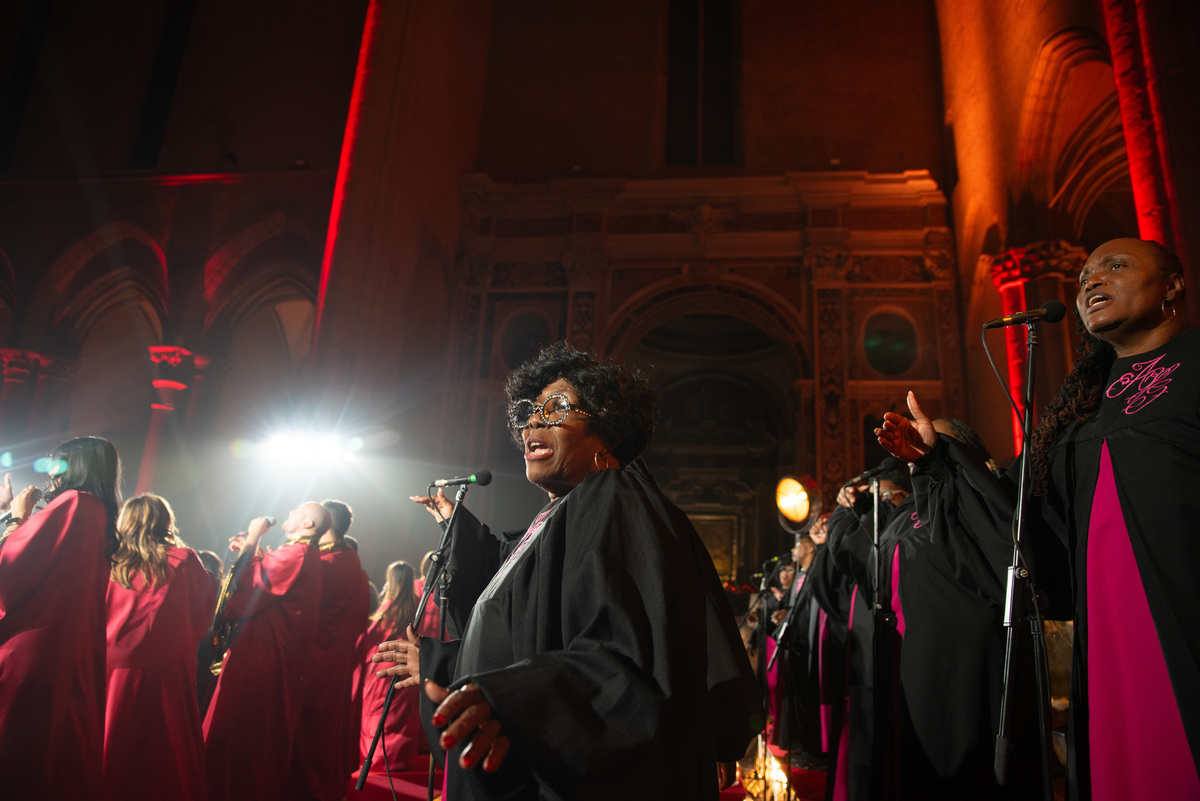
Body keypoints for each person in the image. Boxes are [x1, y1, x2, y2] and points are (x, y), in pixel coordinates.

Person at [877, 237, 1200, 801]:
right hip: (1107, 639)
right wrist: (938, 461)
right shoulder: (1079, 408)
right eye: (1082, 280)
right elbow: (1016, 524)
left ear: (1173, 284)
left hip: (1183, 612)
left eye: (1115, 267)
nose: (1091, 284)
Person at [372, 341, 762, 799]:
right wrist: (443, 664)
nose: (533, 422)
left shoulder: (615, 499)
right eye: (530, 412)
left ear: (609, 431)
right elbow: (529, 637)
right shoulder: (562, 515)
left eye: (557, 408)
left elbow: (623, 662)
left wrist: (515, 703)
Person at [0, 436, 122, 801]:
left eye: (59, 465)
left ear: (78, 467)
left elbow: (10, 570)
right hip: (60, 650)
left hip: (31, 646)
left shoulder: (74, 503)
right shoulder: (96, 512)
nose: (52, 474)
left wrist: (15, 514)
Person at [203, 502, 327, 801]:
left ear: (308, 524)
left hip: (260, 659)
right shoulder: (300, 554)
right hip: (267, 656)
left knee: (236, 736)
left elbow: (251, 587)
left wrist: (252, 539)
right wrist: (255, 554)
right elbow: (268, 582)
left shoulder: (297, 553)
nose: (289, 513)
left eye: (296, 512)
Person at [104, 493, 218, 801]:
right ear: (165, 522)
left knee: (110, 735)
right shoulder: (184, 559)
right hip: (165, 662)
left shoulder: (109, 558)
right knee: (163, 744)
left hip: (110, 659)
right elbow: (204, 613)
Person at [284, 499, 371, 801]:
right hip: (337, 657)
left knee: (308, 729)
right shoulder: (351, 560)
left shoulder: (328, 563)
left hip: (315, 657)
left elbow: (293, 606)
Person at [356, 560, 424, 773]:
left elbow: (370, 638)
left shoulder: (388, 607)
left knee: (377, 713)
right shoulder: (417, 603)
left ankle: (377, 757)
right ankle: (399, 757)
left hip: (384, 667)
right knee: (401, 715)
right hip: (406, 664)